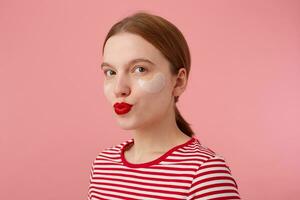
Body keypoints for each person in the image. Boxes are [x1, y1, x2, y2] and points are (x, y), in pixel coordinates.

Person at [88, 11, 241, 200]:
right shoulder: (103, 166)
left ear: (178, 82)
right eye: (110, 72)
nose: (119, 89)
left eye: (140, 69)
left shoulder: (204, 174)